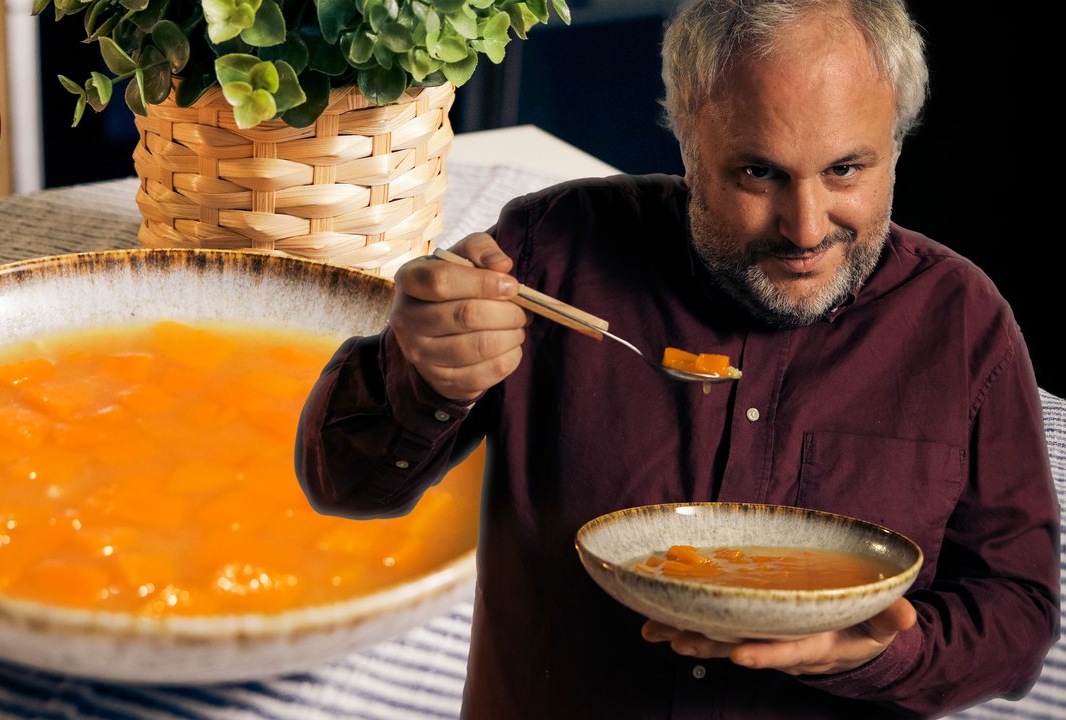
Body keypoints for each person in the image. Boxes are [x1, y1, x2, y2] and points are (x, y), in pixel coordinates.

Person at [294, 0, 1061, 717]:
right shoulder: (551, 253)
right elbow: (349, 484)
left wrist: (873, 655)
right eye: (758, 173)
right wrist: (422, 368)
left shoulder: (962, 322)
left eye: (845, 170)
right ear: (689, 148)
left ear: (895, 145)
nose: (804, 228)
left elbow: (1018, 612)